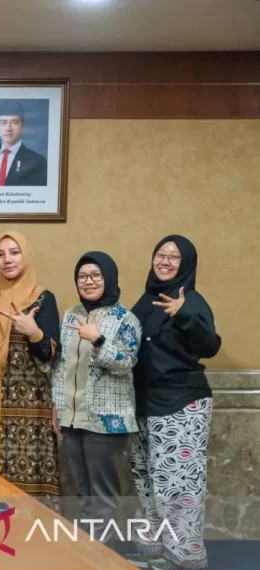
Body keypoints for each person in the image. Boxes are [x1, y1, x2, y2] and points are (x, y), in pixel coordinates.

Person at [127, 236, 220, 570]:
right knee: (147, 483)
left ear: (186, 264)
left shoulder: (191, 300)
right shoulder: (145, 301)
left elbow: (210, 346)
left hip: (180, 404)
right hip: (143, 405)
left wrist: (184, 315)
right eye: (160, 254)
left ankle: (184, 558)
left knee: (178, 487)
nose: (165, 261)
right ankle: (153, 551)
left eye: (174, 257)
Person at [51, 251, 141, 546]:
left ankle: (104, 556)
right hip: (73, 418)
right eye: (82, 276)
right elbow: (62, 365)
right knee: (81, 492)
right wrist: (57, 406)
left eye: (95, 275)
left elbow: (127, 363)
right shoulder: (71, 315)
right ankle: (86, 552)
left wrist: (98, 340)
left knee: (103, 495)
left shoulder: (125, 318)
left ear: (108, 278)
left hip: (107, 421)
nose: (88, 281)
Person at [0, 231, 60, 499]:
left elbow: (52, 352)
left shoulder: (43, 298)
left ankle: (30, 523)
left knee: (30, 467)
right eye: (0, 254)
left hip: (32, 398)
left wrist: (34, 333)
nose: (7, 260)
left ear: (25, 256)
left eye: (14, 252)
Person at [0, 100, 47, 187]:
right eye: (3, 122)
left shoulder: (38, 162)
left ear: (22, 126)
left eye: (14, 122)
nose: (8, 128)